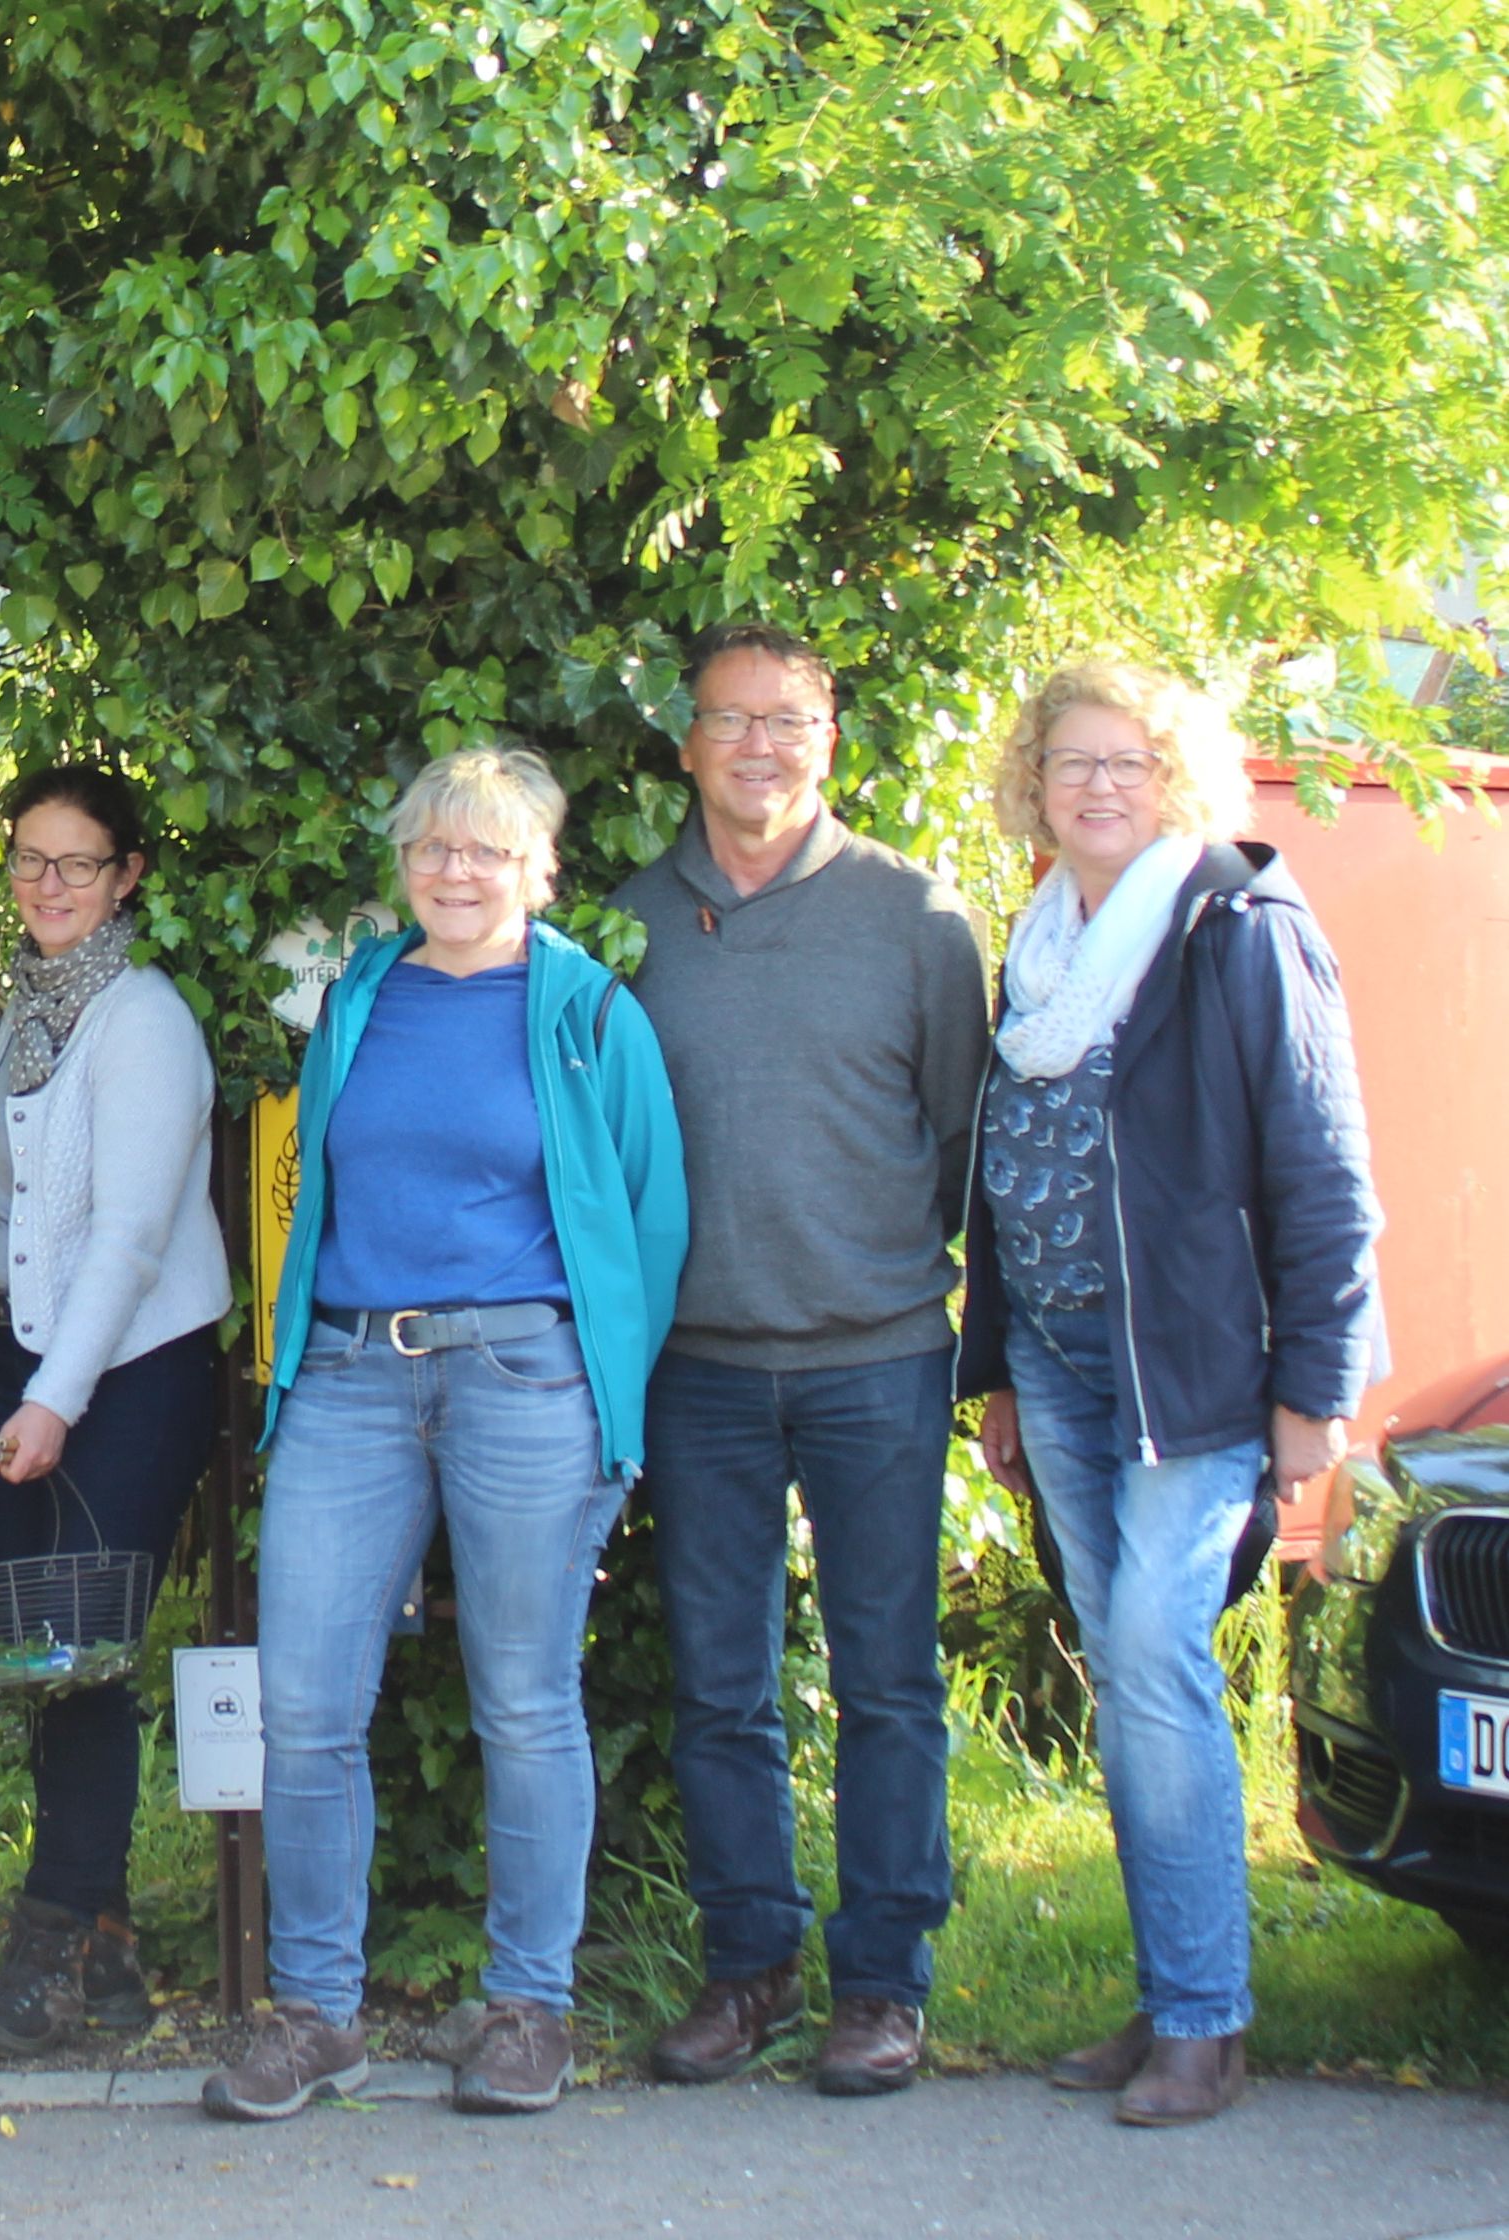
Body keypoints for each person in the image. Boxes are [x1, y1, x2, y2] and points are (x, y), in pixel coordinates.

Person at [204, 748, 688, 2121]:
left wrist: (606, 1395)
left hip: (523, 1383)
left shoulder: (589, 1012)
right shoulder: (359, 998)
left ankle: (526, 2006)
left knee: (524, 1702)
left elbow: (648, 1219)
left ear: (537, 865)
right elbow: (311, 1189)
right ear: (404, 863)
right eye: (432, 848)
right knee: (301, 1706)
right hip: (352, 1378)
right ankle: (313, 2014)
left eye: (486, 851)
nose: (455, 872)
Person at [963, 662, 1381, 2126]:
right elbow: (1009, 1175)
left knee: (1151, 1659)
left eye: (1128, 762)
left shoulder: (1234, 927)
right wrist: (998, 1369)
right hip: (1067, 1373)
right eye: (1070, 760)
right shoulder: (1035, 943)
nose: (1094, 786)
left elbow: (1322, 1172)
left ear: (1177, 779)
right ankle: (1167, 1997)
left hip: (1194, 1378)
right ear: (1032, 778)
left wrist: (1313, 1395)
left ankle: (1204, 2022)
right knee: (1129, 1682)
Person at [613, 619, 991, 2098]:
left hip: (874, 1360)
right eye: (728, 720)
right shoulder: (630, 923)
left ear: (826, 741)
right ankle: (746, 1967)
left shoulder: (914, 919)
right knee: (717, 1688)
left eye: (786, 721)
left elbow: (963, 1147)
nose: (757, 746)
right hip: (694, 1369)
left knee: (887, 1684)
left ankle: (882, 1984)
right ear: (685, 743)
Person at [0, 766, 229, 2058]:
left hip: (126, 1376)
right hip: (31, 1362)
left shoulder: (142, 1021)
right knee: (55, 1667)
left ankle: (43, 1952)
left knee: (78, 1655)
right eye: (26, 859)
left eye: (75, 862)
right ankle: (106, 1948)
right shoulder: (27, 1016)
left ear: (126, 876)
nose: (46, 885)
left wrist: (53, 1401)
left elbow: (124, 1240)